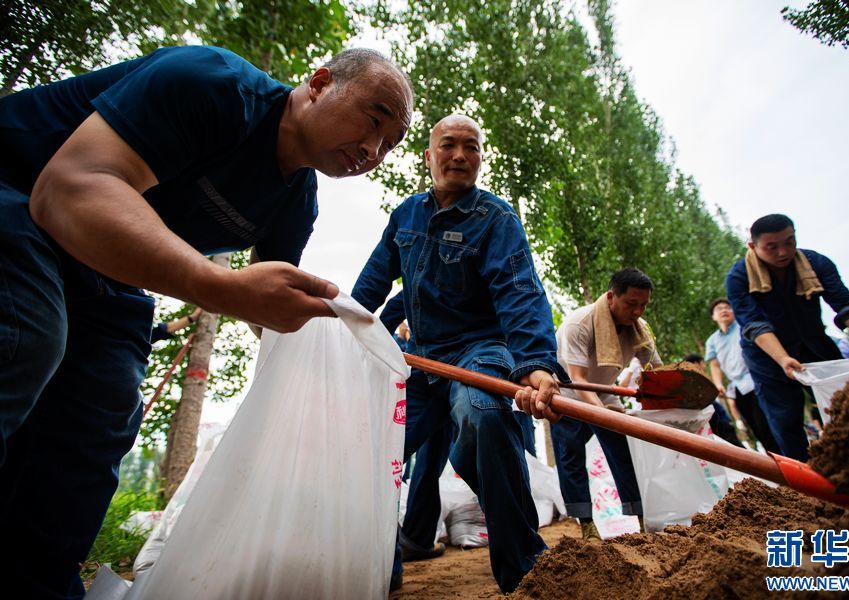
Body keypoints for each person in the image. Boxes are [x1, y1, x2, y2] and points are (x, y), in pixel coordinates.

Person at [0, 45, 412, 597]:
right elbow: (68, 189)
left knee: (105, 407)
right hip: (19, 194)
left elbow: (268, 304)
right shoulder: (212, 86)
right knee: (25, 334)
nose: (372, 149)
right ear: (318, 83)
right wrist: (218, 285)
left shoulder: (297, 201)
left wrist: (350, 354)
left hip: (102, 272)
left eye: (388, 144)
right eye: (374, 118)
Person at [352, 114, 566, 593]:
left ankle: (527, 571)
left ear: (480, 159)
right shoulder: (405, 216)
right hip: (421, 358)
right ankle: (376, 569)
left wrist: (534, 364)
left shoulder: (495, 219)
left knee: (486, 415)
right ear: (429, 156)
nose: (460, 155)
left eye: (471, 147)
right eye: (448, 145)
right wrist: (346, 331)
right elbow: (373, 286)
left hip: (479, 352)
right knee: (370, 448)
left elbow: (519, 292)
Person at [725, 214, 849, 461]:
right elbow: (754, 325)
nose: (783, 252)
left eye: (789, 242)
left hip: (815, 344)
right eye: (771, 247)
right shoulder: (739, 277)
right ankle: (807, 483)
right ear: (753, 247)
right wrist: (783, 359)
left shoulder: (815, 263)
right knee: (785, 420)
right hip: (769, 358)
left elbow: (846, 305)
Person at [547, 268, 659, 540]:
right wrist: (604, 413)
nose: (637, 312)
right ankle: (587, 525)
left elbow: (655, 370)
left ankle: (643, 517)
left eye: (643, 305)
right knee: (570, 456)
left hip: (605, 391)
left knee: (625, 454)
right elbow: (578, 378)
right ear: (611, 297)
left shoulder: (639, 330)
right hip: (567, 392)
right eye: (631, 304)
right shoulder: (579, 323)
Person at [704, 298, 780, 453]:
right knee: (756, 428)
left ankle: (788, 458)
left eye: (727, 307)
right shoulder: (712, 341)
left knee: (770, 424)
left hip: (757, 380)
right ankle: (776, 462)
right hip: (737, 388)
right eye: (719, 309)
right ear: (713, 316)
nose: (724, 310)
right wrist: (718, 384)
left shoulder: (743, 326)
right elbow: (715, 364)